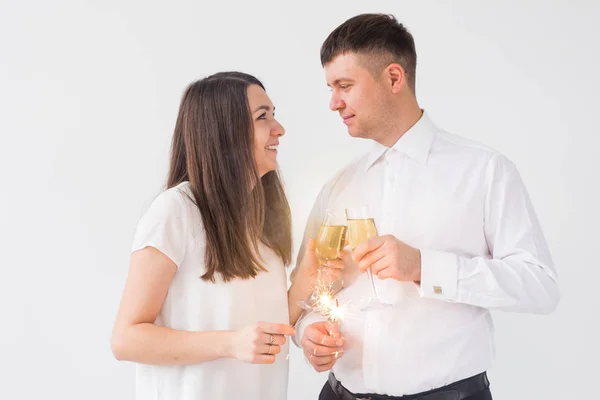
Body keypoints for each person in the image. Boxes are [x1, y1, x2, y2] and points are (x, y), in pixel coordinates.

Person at [292, 14, 560, 400]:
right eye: (331, 88)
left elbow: (539, 286)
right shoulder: (337, 187)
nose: (334, 102)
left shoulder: (484, 170)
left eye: (344, 85)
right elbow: (313, 292)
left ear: (394, 78)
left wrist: (424, 267)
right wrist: (309, 332)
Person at [111, 71, 323, 400]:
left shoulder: (262, 217)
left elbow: (266, 329)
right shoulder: (175, 211)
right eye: (262, 116)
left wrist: (310, 274)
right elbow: (126, 339)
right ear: (225, 130)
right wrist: (229, 343)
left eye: (273, 114)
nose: (279, 129)